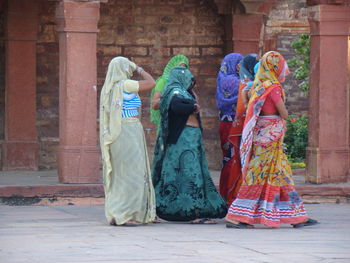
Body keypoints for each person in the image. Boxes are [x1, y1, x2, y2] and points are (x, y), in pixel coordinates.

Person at [225, 51, 318, 228]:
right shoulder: (273, 87)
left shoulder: (258, 85)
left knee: (280, 173)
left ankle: (296, 216)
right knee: (260, 174)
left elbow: (246, 102)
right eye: (282, 65)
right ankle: (236, 215)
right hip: (271, 136)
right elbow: (283, 112)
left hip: (261, 134)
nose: (285, 69)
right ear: (275, 67)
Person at [152, 66, 227, 223]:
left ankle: (187, 211)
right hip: (183, 141)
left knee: (190, 174)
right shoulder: (174, 92)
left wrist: (193, 96)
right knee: (189, 175)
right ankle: (193, 214)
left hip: (190, 140)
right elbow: (177, 106)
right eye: (188, 78)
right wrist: (192, 106)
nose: (190, 81)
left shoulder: (183, 91)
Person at [99, 56, 156, 226]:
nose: (130, 71)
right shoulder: (125, 85)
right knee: (133, 174)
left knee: (122, 174)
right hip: (128, 131)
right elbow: (151, 82)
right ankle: (124, 214)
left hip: (121, 133)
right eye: (128, 67)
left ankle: (120, 213)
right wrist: (138, 68)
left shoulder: (109, 88)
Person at [224, 54, 260, 206]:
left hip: (245, 128)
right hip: (247, 129)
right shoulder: (248, 85)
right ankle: (240, 199)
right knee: (244, 163)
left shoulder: (250, 84)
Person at [215, 53, 243, 205]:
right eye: (239, 64)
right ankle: (231, 194)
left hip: (226, 124)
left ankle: (227, 193)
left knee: (229, 159)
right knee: (232, 159)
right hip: (232, 125)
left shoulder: (223, 78)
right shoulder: (232, 81)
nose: (241, 67)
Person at [150, 54, 190, 131]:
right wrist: (171, 98)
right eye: (178, 68)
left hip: (182, 124)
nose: (181, 71)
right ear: (172, 68)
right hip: (166, 123)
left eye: (184, 68)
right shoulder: (164, 81)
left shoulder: (184, 83)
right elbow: (154, 104)